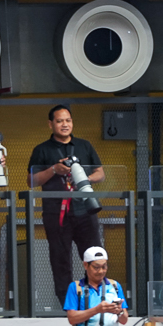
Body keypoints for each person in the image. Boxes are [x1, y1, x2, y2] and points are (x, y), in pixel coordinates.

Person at [27, 103, 104, 304]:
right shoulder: (42, 149)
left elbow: (100, 173)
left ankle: (96, 298)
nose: (64, 125)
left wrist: (83, 178)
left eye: (68, 120)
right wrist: (54, 170)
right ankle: (66, 303)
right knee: (60, 259)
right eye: (59, 121)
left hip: (85, 209)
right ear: (50, 124)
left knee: (93, 255)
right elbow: (31, 181)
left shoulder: (84, 145)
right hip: (55, 212)